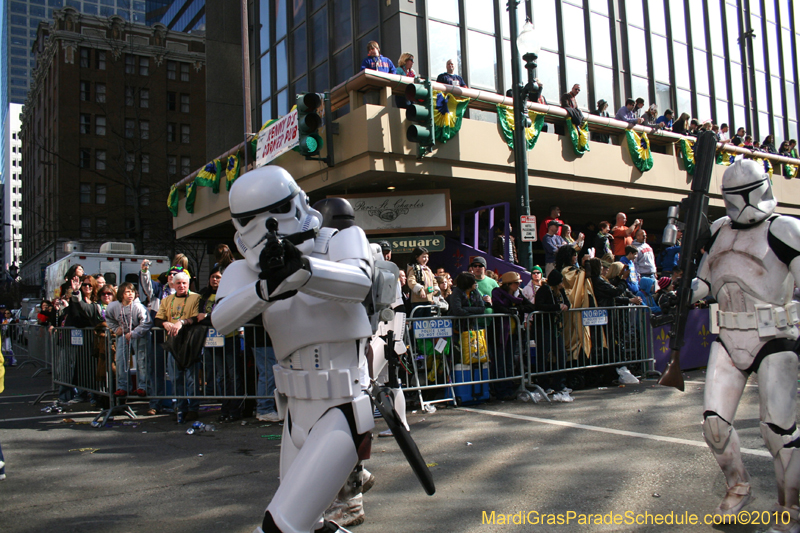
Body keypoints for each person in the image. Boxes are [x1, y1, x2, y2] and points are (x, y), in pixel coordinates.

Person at [210, 165, 418, 533]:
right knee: (309, 525)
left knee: (282, 526)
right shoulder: (246, 272)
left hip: (341, 404)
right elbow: (222, 319)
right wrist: (266, 288)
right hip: (294, 413)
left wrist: (303, 270)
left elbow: (357, 282)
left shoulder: (339, 240)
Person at [683, 160, 800, 530]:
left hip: (774, 337)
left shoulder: (785, 229)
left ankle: (791, 507)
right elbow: (703, 281)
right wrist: (682, 293)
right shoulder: (718, 230)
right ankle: (738, 485)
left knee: (778, 432)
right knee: (714, 424)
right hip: (729, 336)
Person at [197, 266, 244, 422]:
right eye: (212, 277)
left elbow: (226, 315)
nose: (214, 280)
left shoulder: (229, 294)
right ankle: (224, 409)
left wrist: (208, 316)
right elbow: (199, 317)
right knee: (221, 376)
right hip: (213, 340)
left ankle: (235, 410)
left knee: (233, 375)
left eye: (218, 277)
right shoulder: (204, 295)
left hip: (230, 337)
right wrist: (209, 317)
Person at [154, 271, 201, 423]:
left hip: (191, 343)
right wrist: (164, 323)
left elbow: (196, 317)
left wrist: (182, 322)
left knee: (192, 379)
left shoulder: (196, 297)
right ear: (173, 285)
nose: (181, 286)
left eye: (184, 283)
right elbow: (158, 319)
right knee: (176, 378)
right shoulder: (167, 300)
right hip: (173, 344)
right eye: (178, 283)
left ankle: (193, 408)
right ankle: (181, 407)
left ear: (188, 284)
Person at [491, 271, 535, 400]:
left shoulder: (519, 294)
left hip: (514, 333)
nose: (518, 285)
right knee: (501, 362)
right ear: (508, 284)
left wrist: (516, 309)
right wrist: (511, 309)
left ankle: (510, 388)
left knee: (510, 362)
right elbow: (499, 307)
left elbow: (530, 306)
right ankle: (500, 390)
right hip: (501, 333)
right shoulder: (497, 293)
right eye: (516, 283)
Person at [105, 282, 151, 399]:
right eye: (127, 292)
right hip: (123, 335)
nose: (130, 294)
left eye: (132, 292)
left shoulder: (139, 307)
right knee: (121, 360)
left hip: (139, 335)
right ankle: (123, 387)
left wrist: (134, 333)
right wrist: (116, 328)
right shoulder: (113, 306)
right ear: (121, 294)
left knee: (142, 360)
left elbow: (146, 322)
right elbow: (109, 318)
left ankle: (143, 386)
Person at [406, 246, 438, 317]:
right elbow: (411, 281)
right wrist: (420, 289)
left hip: (428, 300)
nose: (426, 259)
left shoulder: (428, 269)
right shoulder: (414, 269)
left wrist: (435, 289)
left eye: (427, 257)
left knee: (427, 321)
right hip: (418, 301)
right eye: (423, 257)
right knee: (418, 322)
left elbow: (434, 280)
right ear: (417, 257)